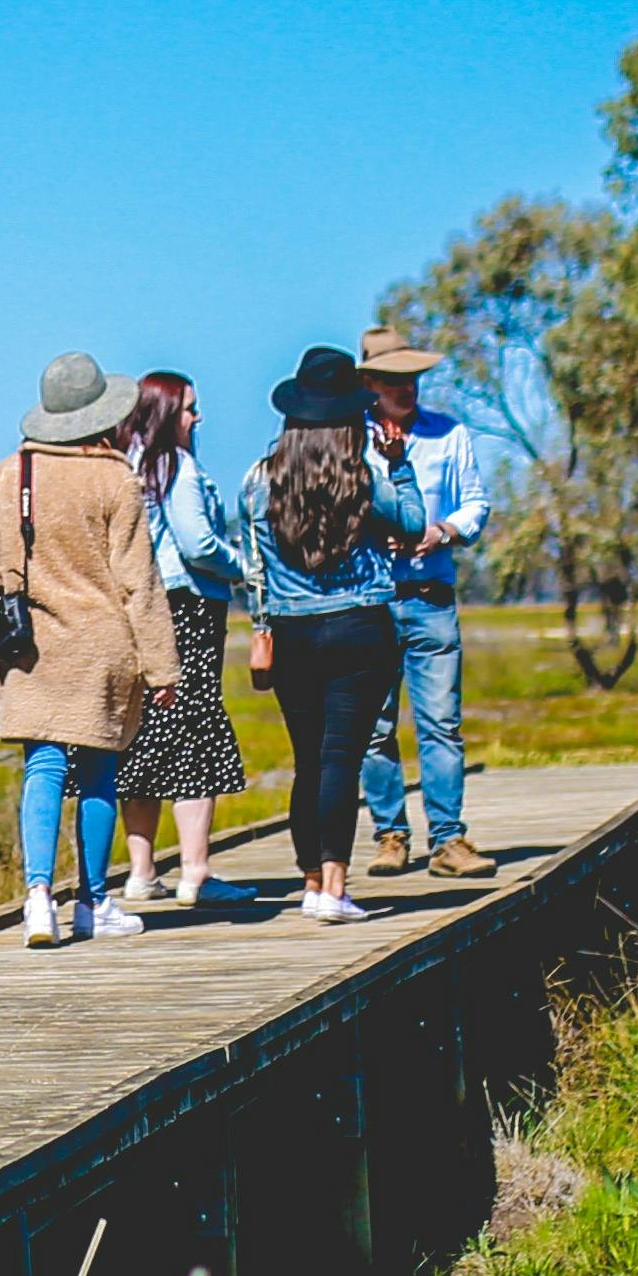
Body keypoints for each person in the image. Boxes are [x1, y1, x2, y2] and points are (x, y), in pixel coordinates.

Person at [0, 353, 175, 946]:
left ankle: (36, 899)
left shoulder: (6, 475)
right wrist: (161, 664)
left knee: (44, 766)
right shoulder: (115, 478)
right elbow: (140, 580)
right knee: (99, 773)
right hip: (101, 646)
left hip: (27, 645)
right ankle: (93, 902)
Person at [236, 344, 429, 918]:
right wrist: (400, 465)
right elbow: (414, 526)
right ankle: (335, 887)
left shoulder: (258, 481)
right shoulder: (364, 475)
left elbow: (255, 571)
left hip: (292, 634)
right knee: (342, 758)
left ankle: (308, 880)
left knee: (307, 760)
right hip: (359, 628)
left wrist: (263, 624)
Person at [352, 322, 496, 879]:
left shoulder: (449, 434)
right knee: (374, 727)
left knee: (441, 723)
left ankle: (449, 839)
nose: (404, 387)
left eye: (411, 377)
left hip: (431, 597)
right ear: (368, 382)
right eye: (391, 379)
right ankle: (390, 834)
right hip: (371, 599)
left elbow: (477, 504)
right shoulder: (348, 440)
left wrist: (442, 531)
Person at [113, 369, 254, 905]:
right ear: (167, 413)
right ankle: (196, 871)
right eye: (191, 409)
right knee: (196, 730)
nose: (199, 418)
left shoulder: (123, 466)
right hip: (188, 607)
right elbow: (197, 543)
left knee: (143, 735)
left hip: (138, 611)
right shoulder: (180, 466)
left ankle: (141, 872)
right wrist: (240, 567)